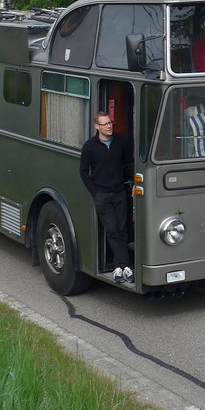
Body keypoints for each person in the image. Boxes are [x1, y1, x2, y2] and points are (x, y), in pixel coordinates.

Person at [79, 111, 134, 283]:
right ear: (97, 127)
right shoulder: (90, 146)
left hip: (119, 192)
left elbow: (129, 162)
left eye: (110, 123)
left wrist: (135, 182)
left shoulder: (120, 141)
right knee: (112, 229)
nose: (109, 126)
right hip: (102, 195)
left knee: (122, 228)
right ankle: (125, 266)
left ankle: (120, 267)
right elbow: (83, 172)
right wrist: (94, 191)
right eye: (105, 124)